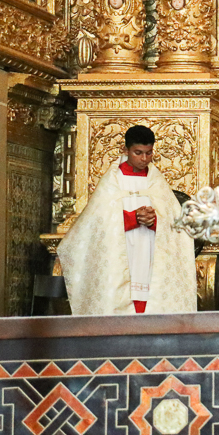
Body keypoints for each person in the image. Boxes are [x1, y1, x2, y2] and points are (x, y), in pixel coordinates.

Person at [57, 125, 196, 315]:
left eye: (148, 153)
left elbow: (175, 220)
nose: (144, 159)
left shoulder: (156, 181)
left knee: (148, 294)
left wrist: (155, 220)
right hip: (120, 247)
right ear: (126, 150)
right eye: (138, 153)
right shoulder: (113, 180)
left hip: (149, 247)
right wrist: (132, 218)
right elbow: (96, 220)